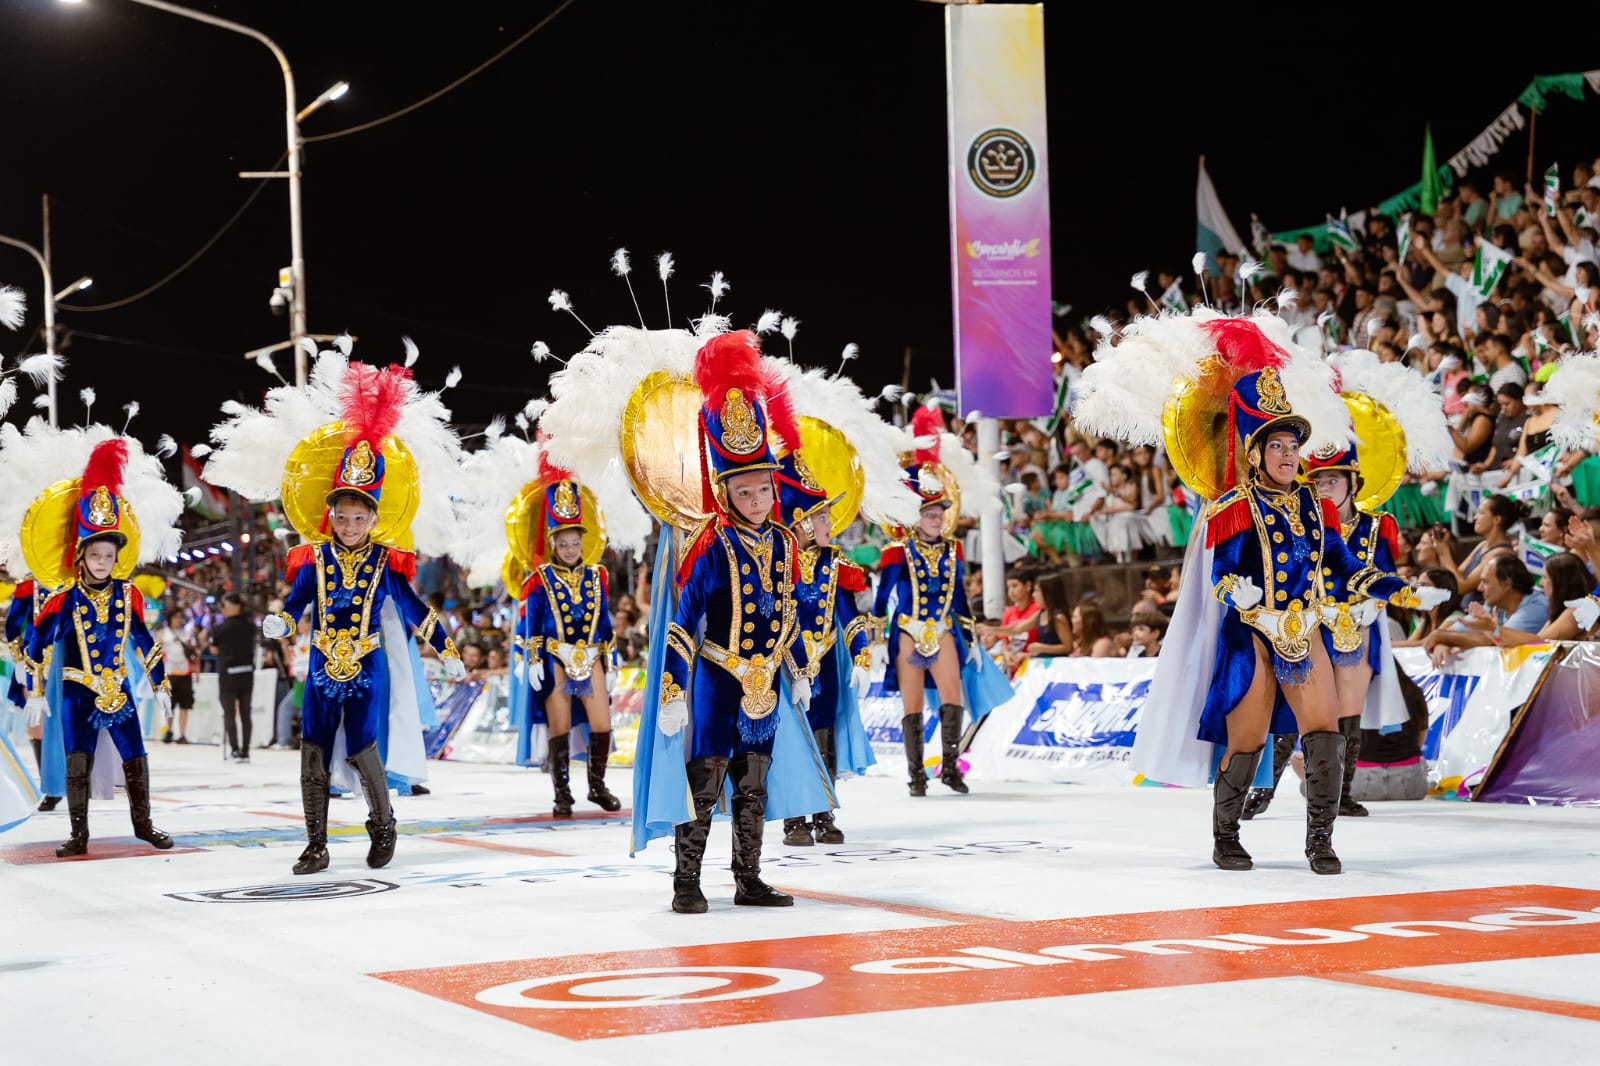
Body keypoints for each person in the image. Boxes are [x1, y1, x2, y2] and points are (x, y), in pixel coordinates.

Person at [251, 361, 468, 875]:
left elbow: (415, 609)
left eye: (359, 516)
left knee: (363, 747)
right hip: (323, 668)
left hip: (368, 668)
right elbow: (296, 602)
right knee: (313, 752)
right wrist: (281, 622)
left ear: (374, 517)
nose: (349, 525)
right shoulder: (313, 560)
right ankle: (316, 844)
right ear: (331, 516)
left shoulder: (387, 564)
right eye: (342, 516)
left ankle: (384, 823)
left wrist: (450, 648)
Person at [653, 330, 828, 913]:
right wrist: (675, 689)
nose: (756, 498)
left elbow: (792, 609)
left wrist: (799, 667)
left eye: (763, 488)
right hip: (716, 678)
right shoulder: (707, 546)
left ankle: (748, 878)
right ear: (724, 491)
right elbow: (682, 622)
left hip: (769, 680)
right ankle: (686, 882)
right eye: (744, 489)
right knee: (707, 781)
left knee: (755, 783)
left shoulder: (784, 542)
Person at [24, 439, 180, 857]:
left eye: (109, 555)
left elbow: (145, 644)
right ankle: (78, 834)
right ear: (81, 556)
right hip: (77, 693)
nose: (103, 562)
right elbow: (35, 645)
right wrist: (35, 691)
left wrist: (161, 685)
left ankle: (144, 824)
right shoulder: (63, 599)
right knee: (79, 760)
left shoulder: (128, 596)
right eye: (96, 554)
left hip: (119, 689)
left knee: (136, 756)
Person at [873, 405, 1013, 798]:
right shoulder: (896, 552)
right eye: (929, 512)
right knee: (912, 705)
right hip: (907, 629)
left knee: (953, 697)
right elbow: (884, 598)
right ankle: (916, 774)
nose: (936, 519)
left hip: (945, 629)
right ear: (915, 516)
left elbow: (961, 599)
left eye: (939, 512)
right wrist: (876, 636)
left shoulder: (953, 551)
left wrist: (973, 632)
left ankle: (949, 767)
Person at [774, 443, 875, 846]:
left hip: (827, 663)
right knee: (791, 739)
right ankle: (793, 819)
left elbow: (850, 619)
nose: (829, 522)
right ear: (799, 521)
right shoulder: (777, 561)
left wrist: (863, 656)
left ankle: (824, 811)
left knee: (824, 735)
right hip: (786, 664)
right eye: (820, 515)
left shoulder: (839, 564)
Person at [516, 470, 623, 818]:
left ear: (583, 541)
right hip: (555, 656)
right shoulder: (539, 580)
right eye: (563, 543)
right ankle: (562, 794)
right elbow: (532, 623)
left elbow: (604, 622)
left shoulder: (597, 576)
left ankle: (597, 786)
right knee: (559, 726)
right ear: (552, 543)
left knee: (602, 723)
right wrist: (532, 659)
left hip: (591, 655)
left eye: (575, 542)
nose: (570, 549)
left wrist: (613, 657)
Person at [1423, 554, 1548, 666]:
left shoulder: (1535, 607)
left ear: (1506, 584)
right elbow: (1448, 632)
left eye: (1485, 582)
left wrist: (1443, 637)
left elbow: (1494, 640)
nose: (1479, 588)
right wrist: (1442, 642)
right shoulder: (1494, 604)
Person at [5, 577, 62, 810]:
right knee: (36, 722)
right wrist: (19, 659)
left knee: (71, 720)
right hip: (33, 660)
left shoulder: (75, 579)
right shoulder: (29, 585)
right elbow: (13, 623)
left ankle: (75, 779)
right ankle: (50, 785)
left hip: (71, 660)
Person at [209, 592, 257, 761]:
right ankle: (246, 751)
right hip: (246, 673)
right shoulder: (250, 626)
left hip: (228, 674)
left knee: (229, 713)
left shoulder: (221, 628)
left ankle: (235, 749)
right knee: (245, 713)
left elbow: (213, 649)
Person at [156, 613, 195, 745]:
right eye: (175, 617)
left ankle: (183, 734)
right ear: (170, 619)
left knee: (185, 705)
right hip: (169, 672)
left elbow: (193, 652)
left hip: (185, 673)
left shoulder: (186, 634)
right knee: (169, 705)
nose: (178, 620)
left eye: (180, 617)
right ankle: (169, 731)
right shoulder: (162, 633)